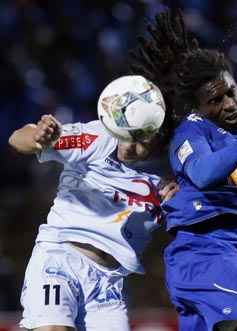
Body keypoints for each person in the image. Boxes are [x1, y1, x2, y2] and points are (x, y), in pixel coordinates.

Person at [130, 9, 237, 331]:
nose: (229, 104)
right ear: (198, 109)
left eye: (231, 92)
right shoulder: (191, 132)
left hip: (227, 253)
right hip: (204, 250)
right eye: (215, 101)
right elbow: (204, 174)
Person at [9, 75, 178, 331]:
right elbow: (16, 138)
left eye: (140, 140)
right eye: (126, 134)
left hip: (109, 284)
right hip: (60, 259)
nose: (129, 146)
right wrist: (38, 137)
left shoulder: (171, 177)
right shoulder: (96, 138)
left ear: (158, 136)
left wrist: (178, 205)